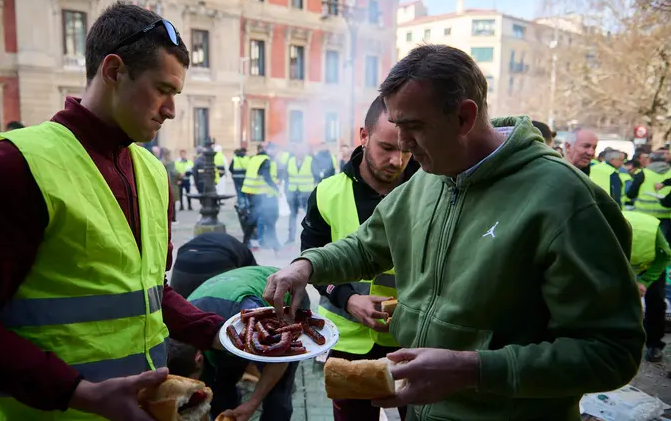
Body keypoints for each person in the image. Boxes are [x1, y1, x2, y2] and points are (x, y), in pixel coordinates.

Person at [264, 44, 644, 420]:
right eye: (397, 128)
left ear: (463, 117)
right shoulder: (426, 181)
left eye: (414, 128)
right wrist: (306, 266)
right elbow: (366, 246)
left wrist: (474, 369)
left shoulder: (565, 201)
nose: (403, 146)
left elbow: (612, 352)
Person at [0, 4, 227, 421]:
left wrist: (221, 332)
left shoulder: (153, 172)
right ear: (114, 70)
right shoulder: (13, 166)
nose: (172, 110)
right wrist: (78, 393)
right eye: (163, 90)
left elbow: (149, 292)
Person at [302, 96, 418, 421]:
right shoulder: (326, 193)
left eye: (407, 149)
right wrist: (348, 298)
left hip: (412, 340)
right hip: (348, 344)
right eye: (386, 148)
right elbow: (311, 261)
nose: (398, 161)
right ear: (363, 136)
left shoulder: (431, 189)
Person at [169, 266, 305, 421]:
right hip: (223, 307)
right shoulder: (179, 326)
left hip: (284, 292)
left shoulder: (249, 320)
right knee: (221, 385)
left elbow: (279, 360)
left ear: (198, 359)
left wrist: (252, 404)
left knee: (277, 393)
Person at [622, 210, 671, 365]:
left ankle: (654, 345)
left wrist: (645, 281)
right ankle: (618, 341)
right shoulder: (604, 231)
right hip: (620, 266)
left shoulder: (652, 233)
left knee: (656, 301)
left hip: (650, 265)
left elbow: (665, 256)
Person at [169, 232, 257, 298]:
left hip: (183, 262)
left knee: (182, 307)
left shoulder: (235, 246)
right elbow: (254, 278)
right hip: (218, 260)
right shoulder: (246, 257)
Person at [241, 143, 280, 251]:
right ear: (269, 150)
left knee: (254, 219)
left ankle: (246, 242)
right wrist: (275, 187)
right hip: (262, 194)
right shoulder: (266, 160)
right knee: (268, 220)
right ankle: (275, 246)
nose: (275, 153)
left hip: (252, 192)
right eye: (274, 150)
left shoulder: (255, 158)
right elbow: (266, 176)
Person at [285, 143, 313, 244]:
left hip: (306, 192)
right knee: (292, 215)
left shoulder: (310, 160)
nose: (300, 152)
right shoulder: (290, 161)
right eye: (298, 150)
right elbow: (286, 176)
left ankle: (310, 237)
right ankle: (290, 238)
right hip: (293, 192)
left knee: (309, 216)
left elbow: (316, 175)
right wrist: (286, 191)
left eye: (302, 150)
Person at [160, 147, 181, 224]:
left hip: (163, 186)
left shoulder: (160, 162)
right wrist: (180, 177)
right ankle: (173, 219)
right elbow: (175, 173)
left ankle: (166, 219)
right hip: (172, 186)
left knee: (165, 204)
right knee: (173, 205)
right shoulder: (172, 163)